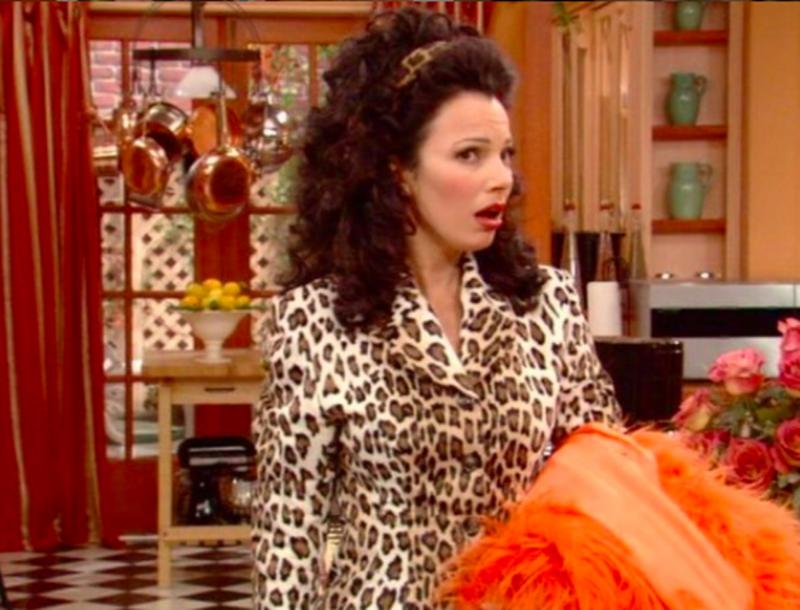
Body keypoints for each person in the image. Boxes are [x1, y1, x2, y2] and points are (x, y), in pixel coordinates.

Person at [252, 7, 620, 610]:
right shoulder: (315, 320)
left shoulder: (547, 304)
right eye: (470, 155)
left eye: (505, 155)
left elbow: (607, 477)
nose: (500, 179)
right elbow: (289, 534)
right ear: (397, 170)